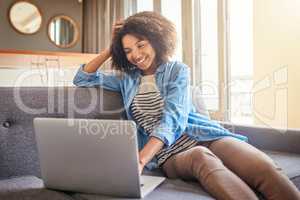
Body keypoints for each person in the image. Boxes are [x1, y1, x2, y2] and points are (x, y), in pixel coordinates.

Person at [73, 11, 300, 200]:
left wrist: (140, 158)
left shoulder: (177, 71)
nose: (136, 55)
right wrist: (111, 47)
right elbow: (82, 78)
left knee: (264, 168)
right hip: (170, 154)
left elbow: (174, 117)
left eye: (141, 45)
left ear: (156, 39)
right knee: (201, 156)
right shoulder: (126, 79)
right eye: (128, 51)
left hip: (205, 135)